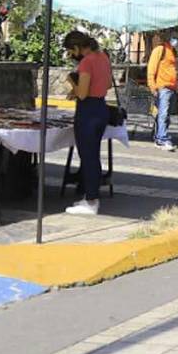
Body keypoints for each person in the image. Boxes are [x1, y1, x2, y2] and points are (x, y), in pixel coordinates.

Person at [63, 31, 112, 216]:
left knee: (88, 157)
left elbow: (82, 93)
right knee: (93, 155)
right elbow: (106, 85)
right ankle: (90, 196)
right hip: (101, 108)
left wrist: (71, 82)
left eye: (71, 50)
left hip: (88, 111)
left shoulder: (86, 62)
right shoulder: (103, 58)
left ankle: (91, 200)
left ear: (77, 48)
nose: (71, 54)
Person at [147, 32, 178, 152]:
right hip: (163, 87)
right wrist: (152, 86)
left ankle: (159, 137)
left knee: (165, 115)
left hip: (171, 88)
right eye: (174, 36)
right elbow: (151, 68)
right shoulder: (160, 50)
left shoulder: (172, 51)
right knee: (163, 114)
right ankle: (162, 139)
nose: (176, 39)